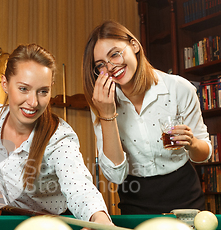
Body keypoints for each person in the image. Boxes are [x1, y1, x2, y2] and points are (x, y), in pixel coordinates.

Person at [0, 43, 126, 230]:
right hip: (11, 220)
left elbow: (77, 183)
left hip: (56, 226)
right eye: (24, 89)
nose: (33, 102)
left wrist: (100, 218)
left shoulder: (59, 137)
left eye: (43, 91)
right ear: (4, 84)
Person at [82, 21, 212, 214]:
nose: (111, 67)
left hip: (185, 195)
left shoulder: (179, 88)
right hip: (135, 199)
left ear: (134, 45)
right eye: (101, 65)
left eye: (115, 54)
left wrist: (192, 143)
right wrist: (107, 114)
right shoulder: (102, 103)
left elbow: (204, 154)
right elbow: (116, 176)